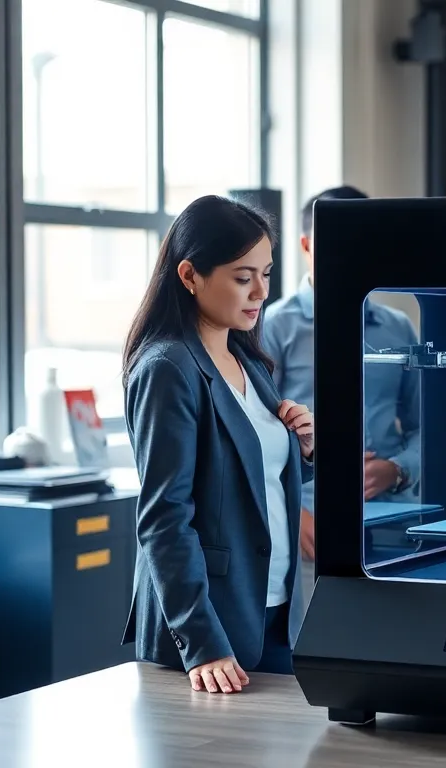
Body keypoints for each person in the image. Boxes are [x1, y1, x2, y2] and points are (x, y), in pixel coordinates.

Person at [121, 194, 316, 694]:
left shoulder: (247, 360)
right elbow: (165, 518)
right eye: (242, 277)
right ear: (190, 275)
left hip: (272, 610)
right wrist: (202, 641)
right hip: (213, 633)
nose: (259, 293)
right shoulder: (168, 368)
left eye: (267, 274)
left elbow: (252, 483)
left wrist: (304, 448)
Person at [262, 185, 422, 566]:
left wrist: (398, 471)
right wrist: (291, 514)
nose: (350, 255)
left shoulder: (399, 328)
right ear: (305, 245)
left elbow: (427, 427)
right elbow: (257, 436)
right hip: (309, 525)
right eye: (335, 242)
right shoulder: (274, 328)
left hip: (393, 522)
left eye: (363, 242)